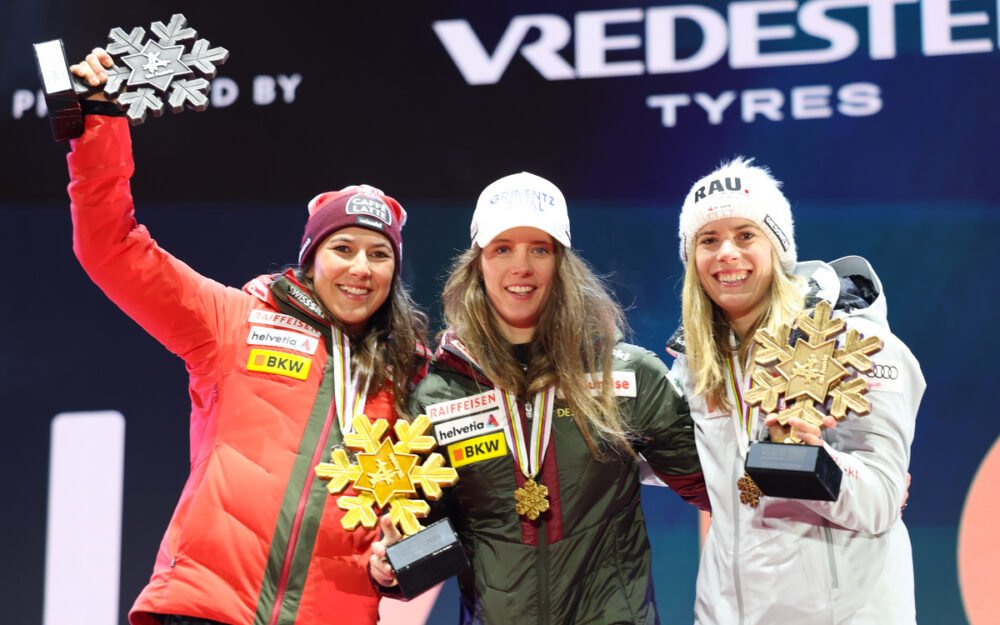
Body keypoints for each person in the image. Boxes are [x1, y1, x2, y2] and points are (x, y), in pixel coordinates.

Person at [68, 50, 428, 625]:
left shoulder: (411, 378)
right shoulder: (233, 321)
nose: (361, 267)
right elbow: (112, 248)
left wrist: (398, 562)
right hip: (205, 609)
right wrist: (97, 130)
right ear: (311, 260)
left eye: (379, 254)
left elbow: (433, 522)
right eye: (342, 248)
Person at [369, 171, 709, 624]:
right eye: (502, 248)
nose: (521, 268)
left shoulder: (625, 375)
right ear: (478, 262)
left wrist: (777, 440)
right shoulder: (438, 395)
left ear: (562, 262)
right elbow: (429, 533)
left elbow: (716, 487)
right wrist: (391, 565)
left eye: (540, 249)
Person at [666, 157, 924, 624]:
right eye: (708, 240)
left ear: (778, 247)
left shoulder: (857, 344)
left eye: (746, 235)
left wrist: (818, 461)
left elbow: (883, 500)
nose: (726, 252)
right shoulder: (693, 364)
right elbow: (651, 452)